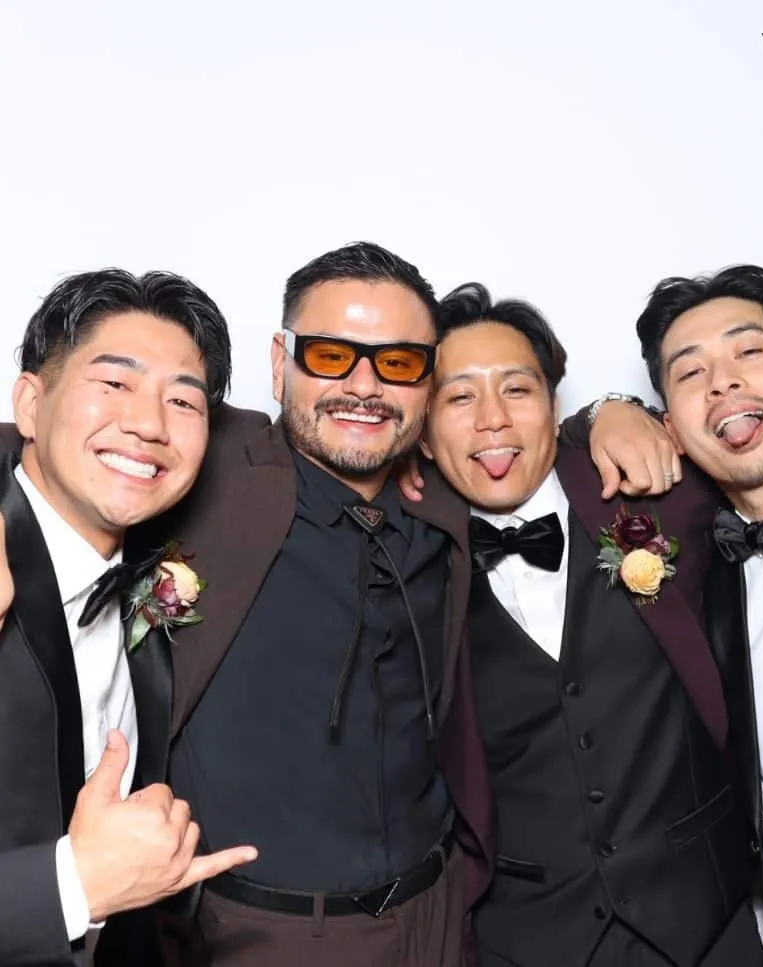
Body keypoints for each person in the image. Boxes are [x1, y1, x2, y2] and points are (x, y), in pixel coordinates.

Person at [127, 241, 493, 967]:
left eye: (396, 362)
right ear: (278, 362)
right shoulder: (206, 461)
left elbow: (543, 440)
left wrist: (617, 412)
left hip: (440, 918)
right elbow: (60, 440)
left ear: (427, 381)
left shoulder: (445, 494)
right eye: (330, 355)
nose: (363, 385)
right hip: (262, 934)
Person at [417, 283, 763, 967]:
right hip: (525, 937)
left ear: (554, 406)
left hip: (707, 920)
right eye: (459, 398)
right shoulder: (407, 555)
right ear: (424, 436)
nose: (492, 419)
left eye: (516, 390)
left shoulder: (660, 490)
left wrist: (615, 407)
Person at [0, 269, 257, 967]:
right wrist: (69, 885)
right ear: (30, 402)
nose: (148, 424)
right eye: (114, 384)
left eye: (183, 400)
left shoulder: (151, 572)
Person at [635, 264, 763, 967]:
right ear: (673, 430)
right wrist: (605, 407)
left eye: (749, 352)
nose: (721, 382)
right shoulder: (690, 574)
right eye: (690, 373)